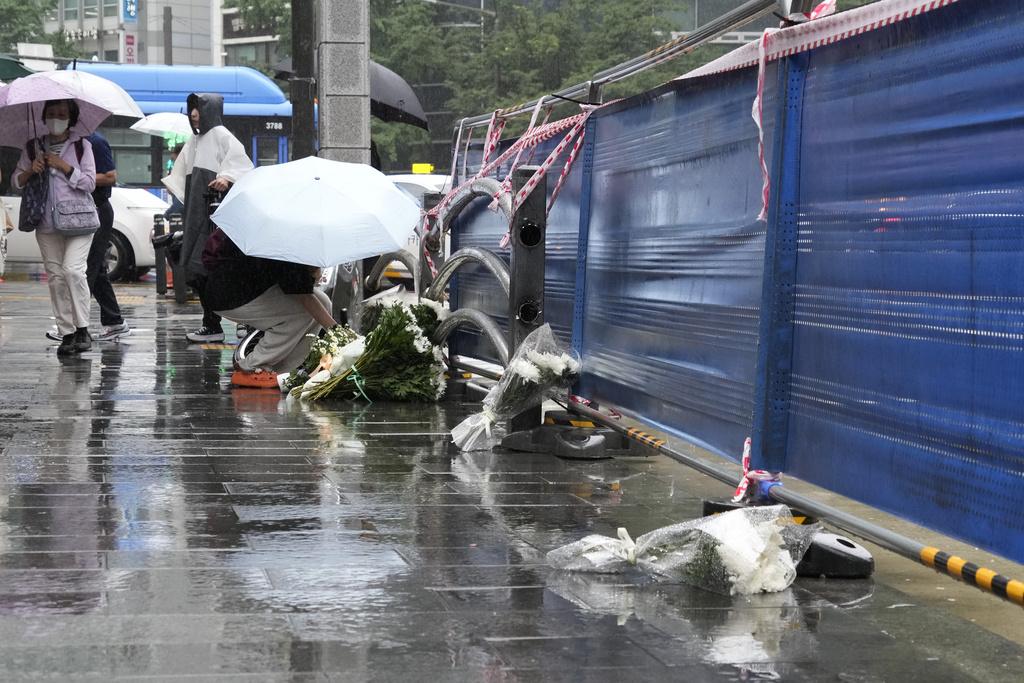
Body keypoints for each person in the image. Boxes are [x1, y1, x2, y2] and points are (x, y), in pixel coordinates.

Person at [163, 93, 252, 343]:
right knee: (198, 268)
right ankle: (212, 323)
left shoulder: (222, 135)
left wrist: (226, 178)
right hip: (197, 214)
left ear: (209, 110)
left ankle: (238, 321)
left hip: (215, 217)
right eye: (191, 108)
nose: (193, 113)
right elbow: (180, 175)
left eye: (198, 108)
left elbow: (243, 168)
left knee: (218, 268)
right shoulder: (195, 140)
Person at [13, 99, 98, 356]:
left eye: (62, 114)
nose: (56, 118)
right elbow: (16, 181)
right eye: (51, 113)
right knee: (56, 277)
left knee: (72, 270)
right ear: (43, 117)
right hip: (46, 222)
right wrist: (31, 170)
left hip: (79, 220)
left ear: (71, 118)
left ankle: (83, 328)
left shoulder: (83, 146)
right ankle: (67, 333)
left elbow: (90, 183)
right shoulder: (32, 147)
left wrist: (65, 167)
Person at [202, 230, 337, 387]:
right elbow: (301, 294)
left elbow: (301, 289)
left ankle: (280, 370)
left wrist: (311, 271)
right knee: (303, 313)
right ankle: (251, 367)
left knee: (324, 302)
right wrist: (337, 331)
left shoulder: (292, 234)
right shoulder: (285, 238)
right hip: (229, 294)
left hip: (250, 288)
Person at [45, 131, 130, 342]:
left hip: (94, 211)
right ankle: (114, 321)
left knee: (83, 269)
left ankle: (74, 328)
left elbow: (110, 176)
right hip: (75, 213)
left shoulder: (94, 142)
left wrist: (68, 172)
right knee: (96, 268)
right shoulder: (60, 144)